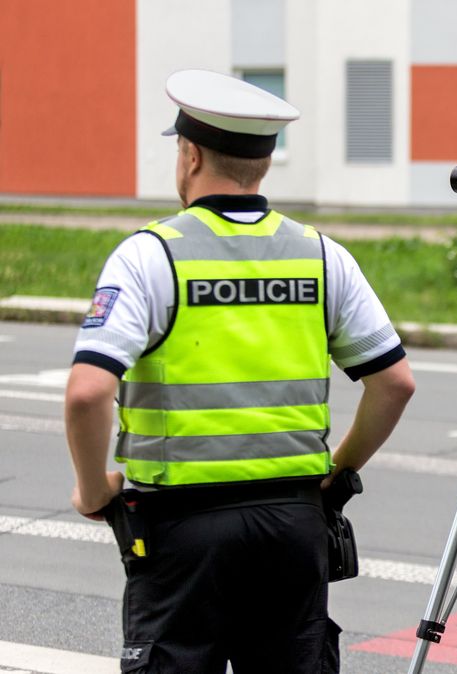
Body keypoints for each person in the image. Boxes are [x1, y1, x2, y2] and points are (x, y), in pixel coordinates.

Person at [64, 69, 416, 672]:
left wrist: (94, 489)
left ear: (191, 154)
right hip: (294, 525)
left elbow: (86, 394)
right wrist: (339, 472)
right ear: (265, 162)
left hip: (181, 533)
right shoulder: (322, 255)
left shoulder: (152, 255)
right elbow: (395, 382)